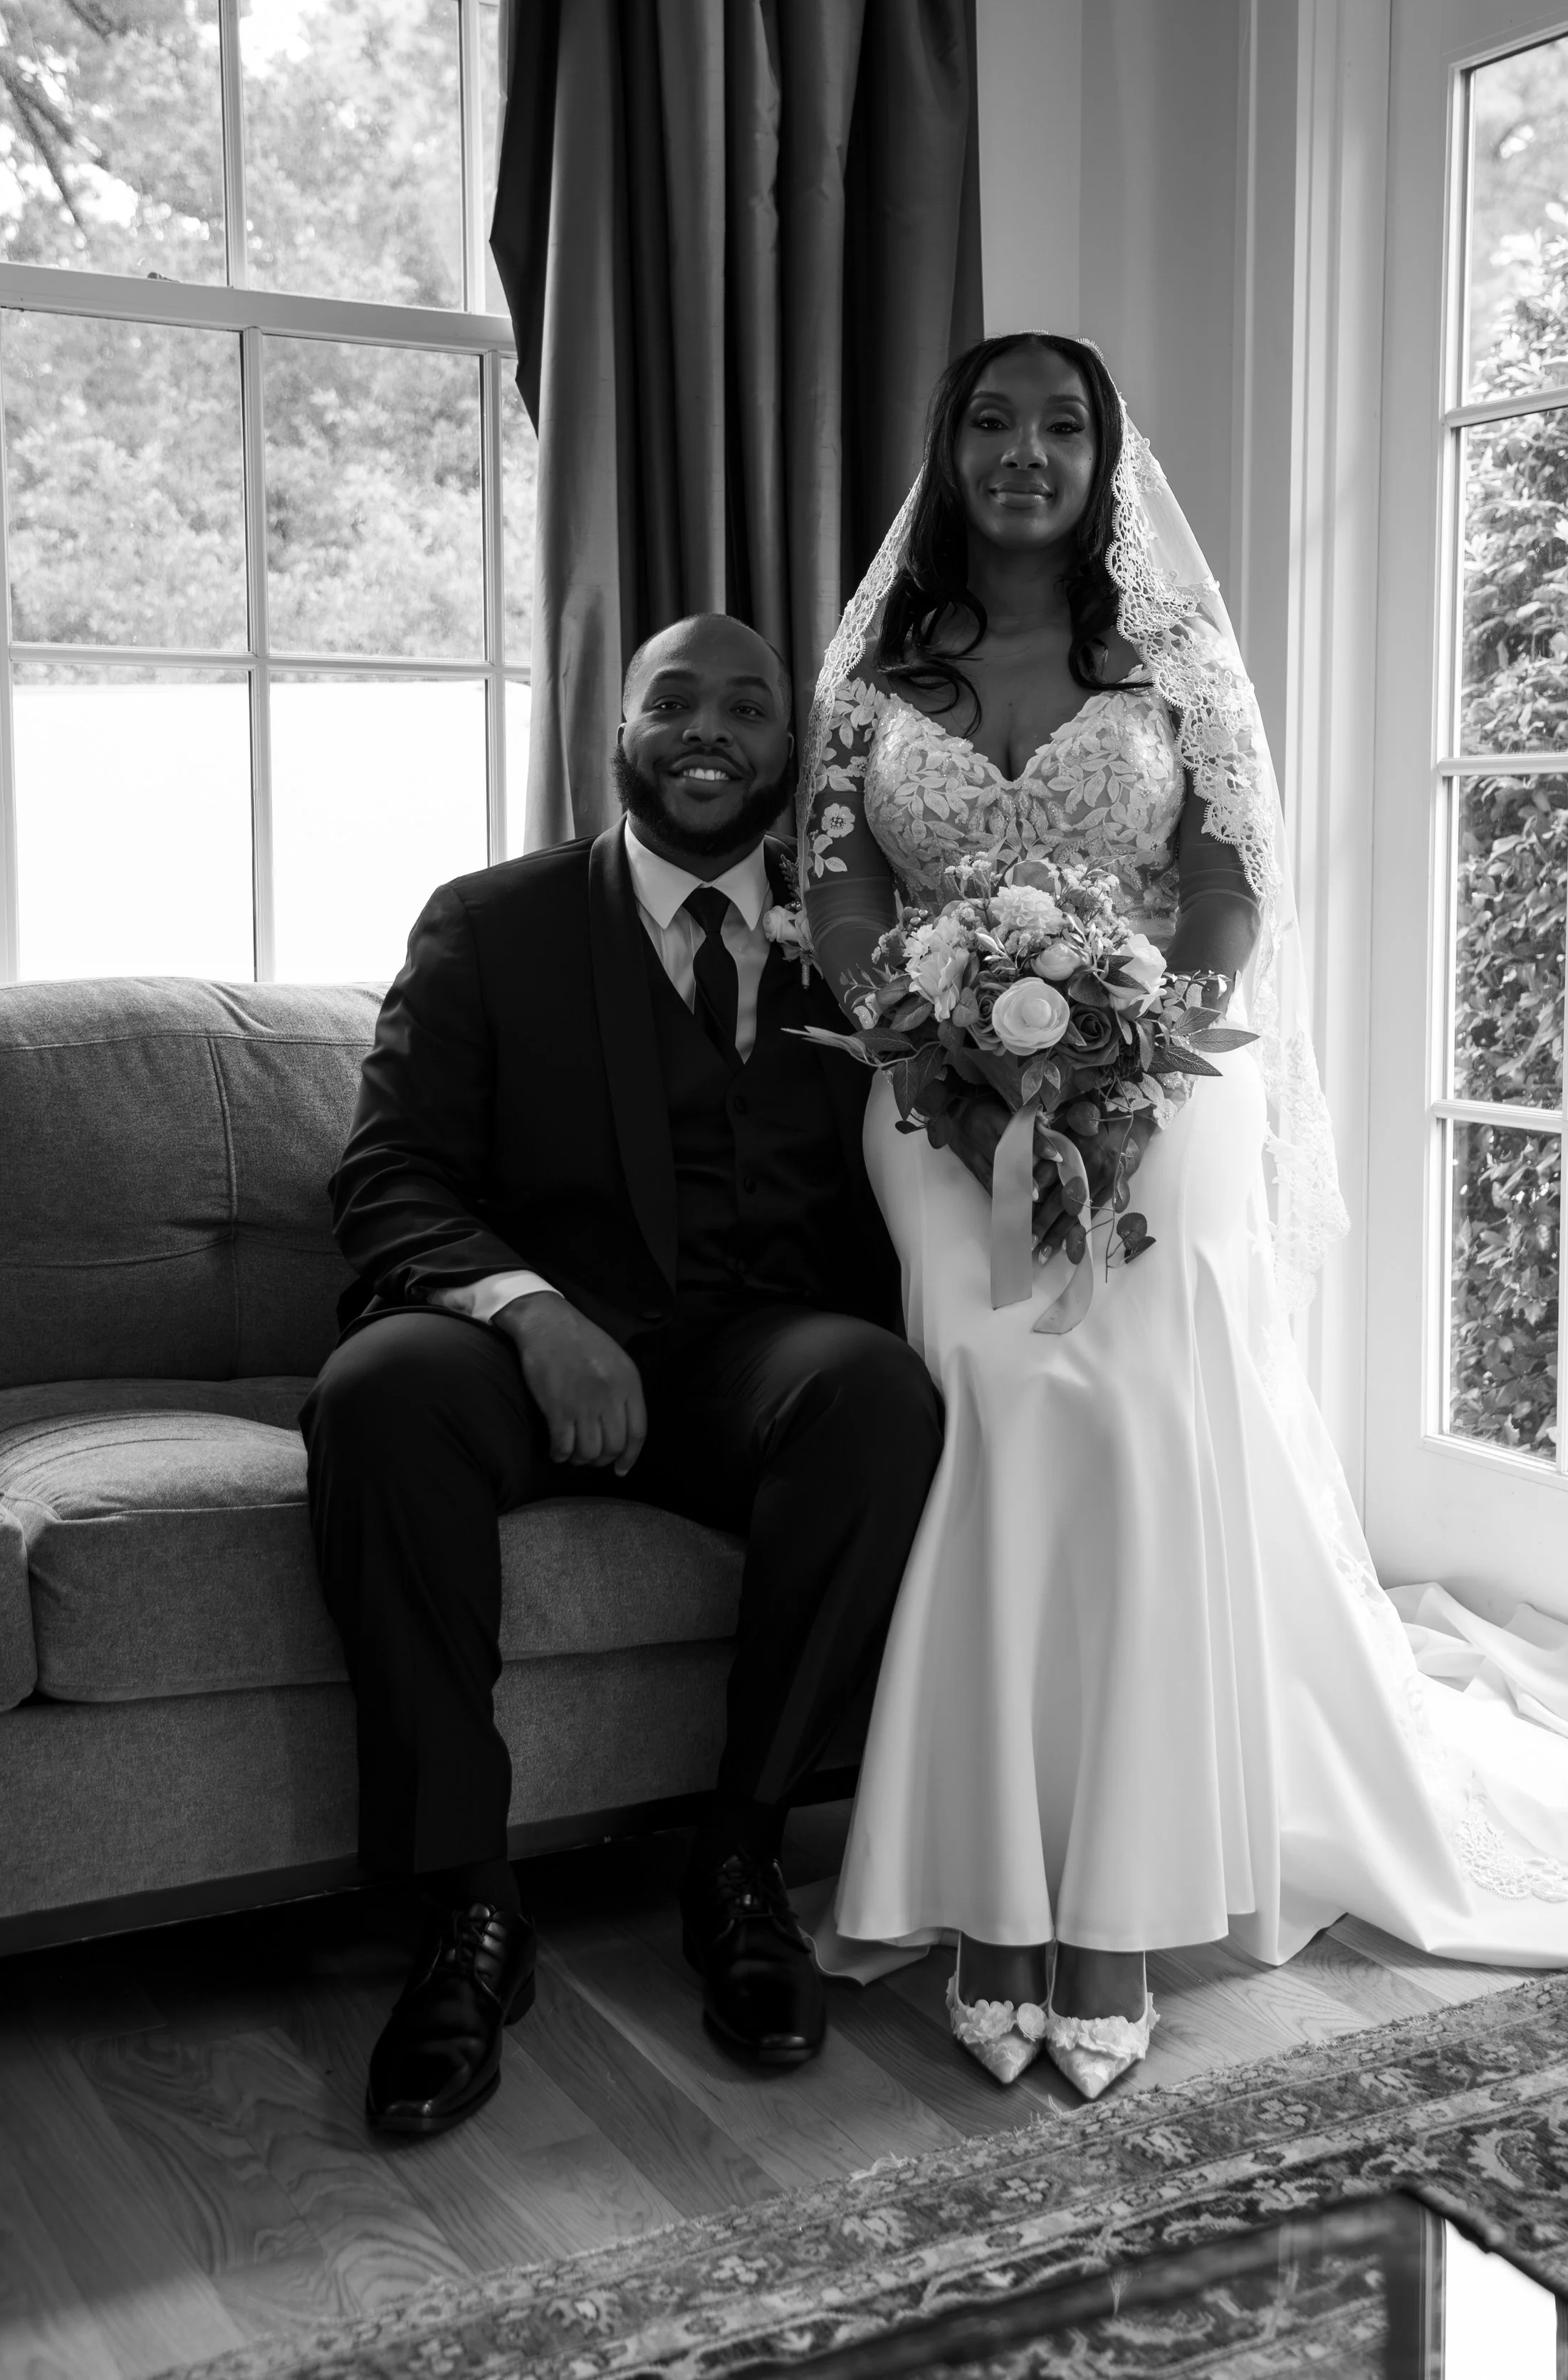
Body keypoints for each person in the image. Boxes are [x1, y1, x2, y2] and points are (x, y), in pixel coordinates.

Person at [799, 330, 1568, 2104]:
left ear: (1106, 457)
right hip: (934, 1098)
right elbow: (843, 901)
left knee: (1143, 1405)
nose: (1027, 453)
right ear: (945, 454)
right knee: (1004, 1405)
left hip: (1164, 1075)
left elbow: (1234, 896)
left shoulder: (1165, 664)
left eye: (1064, 425)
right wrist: (948, 1033)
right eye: (993, 424)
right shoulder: (872, 683)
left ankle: (1113, 1910)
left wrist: (1121, 1042)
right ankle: (989, 1899)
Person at [304, 614, 942, 2137]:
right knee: (378, 1395)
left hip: (749, 1354)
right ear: (617, 726)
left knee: (875, 1399)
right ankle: (469, 1911)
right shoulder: (489, 922)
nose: (708, 727)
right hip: (524, 1354)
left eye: (746, 705)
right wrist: (530, 1311)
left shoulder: (866, 945)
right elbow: (388, 1173)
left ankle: (738, 1861)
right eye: (676, 699)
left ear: (794, 751)